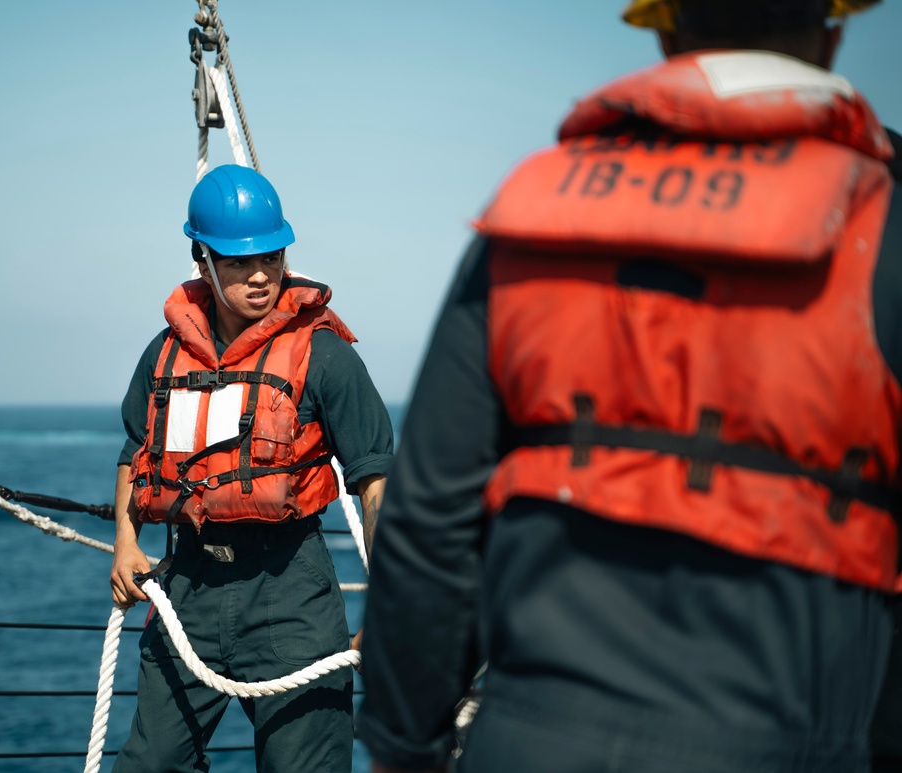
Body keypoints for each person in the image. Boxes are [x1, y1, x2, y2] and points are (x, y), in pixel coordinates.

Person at [356, 1, 901, 772]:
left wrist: (403, 746)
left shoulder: (531, 212)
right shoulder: (883, 223)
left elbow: (431, 518)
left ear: (666, 29)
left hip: (526, 743)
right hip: (783, 744)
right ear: (835, 30)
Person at [108, 163, 394, 773]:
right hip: (186, 585)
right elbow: (137, 455)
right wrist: (125, 545)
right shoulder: (162, 356)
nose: (260, 274)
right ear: (202, 259)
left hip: (290, 591)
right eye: (238, 262)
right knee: (150, 764)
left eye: (271, 255)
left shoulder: (324, 355)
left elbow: (376, 484)